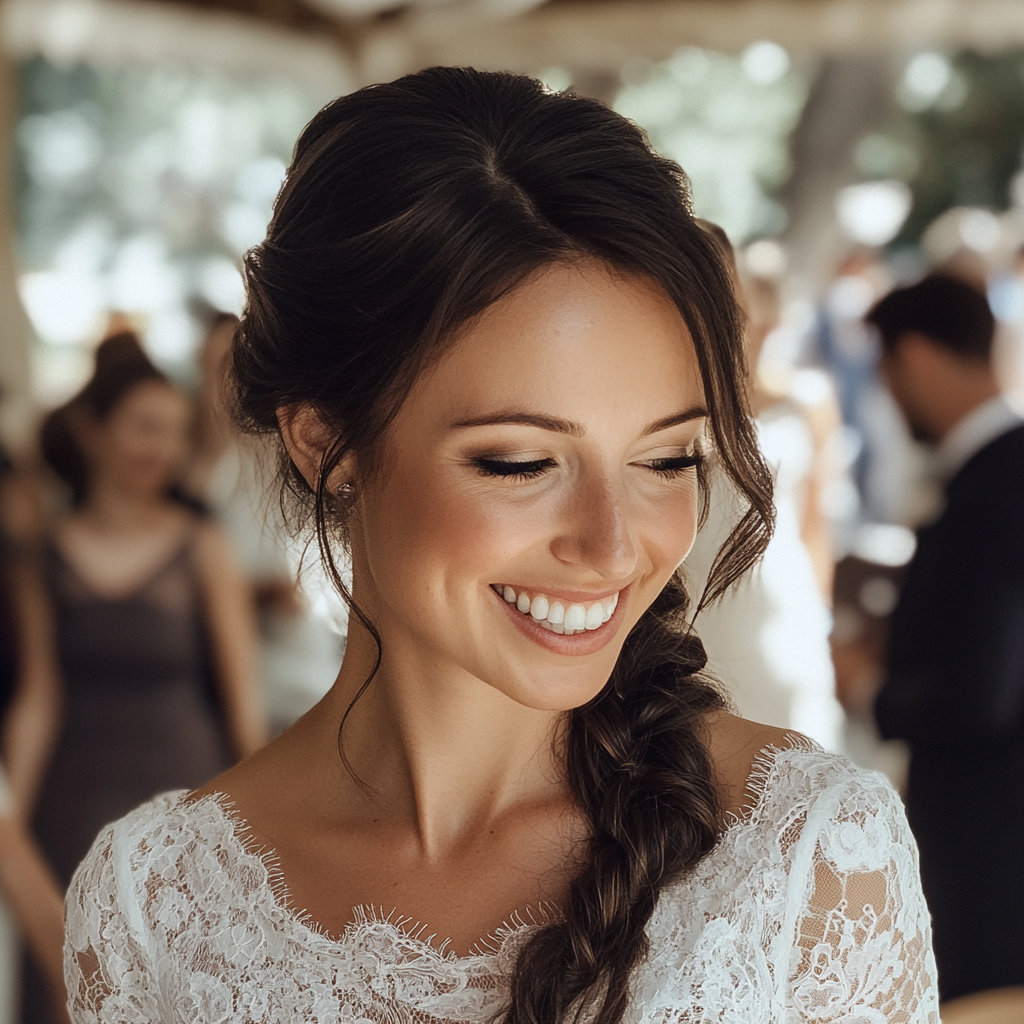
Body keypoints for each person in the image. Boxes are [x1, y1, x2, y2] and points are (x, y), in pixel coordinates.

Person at [65, 68, 937, 1024]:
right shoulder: (150, 905)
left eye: (668, 458)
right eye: (522, 463)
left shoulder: (810, 859)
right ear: (326, 443)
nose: (612, 548)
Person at [869, 274, 1024, 1005]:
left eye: (888, 372)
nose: (889, 396)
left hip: (989, 846)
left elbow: (977, 694)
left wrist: (875, 692)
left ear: (919, 357)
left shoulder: (994, 490)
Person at [685, 225, 845, 751]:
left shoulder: (807, 399)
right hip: (695, 602)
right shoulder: (676, 402)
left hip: (784, 596)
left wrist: (823, 616)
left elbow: (815, 523)